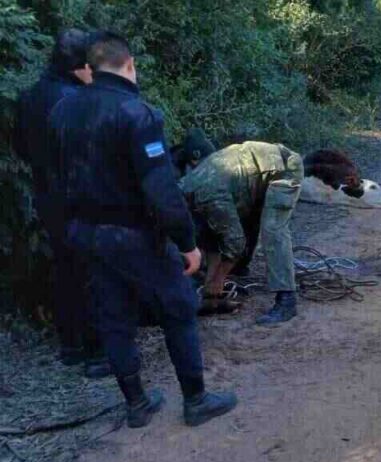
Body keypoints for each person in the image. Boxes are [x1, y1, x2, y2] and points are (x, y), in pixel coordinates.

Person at [49, 31, 237, 428]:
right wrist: (187, 242)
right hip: (134, 235)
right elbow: (161, 189)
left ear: (91, 67)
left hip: (86, 234)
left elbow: (57, 176)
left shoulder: (63, 109)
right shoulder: (137, 114)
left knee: (113, 315)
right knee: (179, 307)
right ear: (130, 64)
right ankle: (196, 400)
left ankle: (137, 404)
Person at [13, 29, 110, 378]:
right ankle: (97, 352)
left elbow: (21, 149)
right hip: (80, 196)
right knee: (92, 271)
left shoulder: (29, 96)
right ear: (80, 65)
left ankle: (71, 346)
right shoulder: (77, 100)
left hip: (48, 196)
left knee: (65, 269)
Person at [178, 141, 304, 324]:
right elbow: (210, 238)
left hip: (283, 170)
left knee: (273, 230)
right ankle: (236, 272)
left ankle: (287, 301)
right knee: (222, 227)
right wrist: (209, 282)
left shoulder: (208, 196)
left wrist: (218, 279)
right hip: (256, 175)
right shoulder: (185, 187)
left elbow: (235, 243)